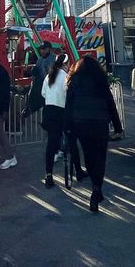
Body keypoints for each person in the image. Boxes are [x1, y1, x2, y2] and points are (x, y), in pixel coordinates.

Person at [64, 55, 122, 213]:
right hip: (100, 121)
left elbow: (68, 104)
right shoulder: (100, 79)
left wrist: (67, 126)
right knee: (100, 156)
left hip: (81, 122)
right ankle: (97, 189)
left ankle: (96, 188)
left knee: (88, 154)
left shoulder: (74, 80)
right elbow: (110, 102)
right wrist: (118, 127)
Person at [40, 53, 86, 188]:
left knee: (51, 144)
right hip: (62, 112)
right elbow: (70, 95)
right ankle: (78, 171)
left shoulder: (49, 76)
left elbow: (43, 93)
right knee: (71, 142)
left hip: (49, 111)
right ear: (65, 64)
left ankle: (49, 176)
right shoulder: (66, 77)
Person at [23, 41, 56, 120]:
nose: (42, 51)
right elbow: (36, 74)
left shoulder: (54, 59)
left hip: (52, 88)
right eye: (41, 49)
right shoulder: (39, 61)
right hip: (43, 87)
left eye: (45, 49)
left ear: (49, 49)